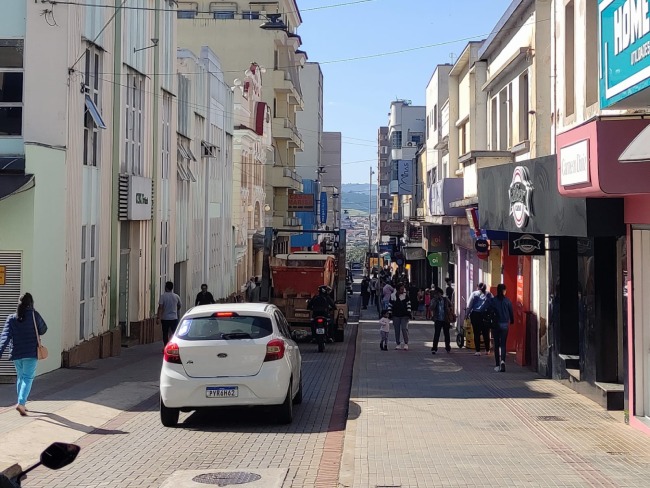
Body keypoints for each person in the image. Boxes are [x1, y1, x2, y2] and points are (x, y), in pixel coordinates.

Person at [0, 293, 48, 416]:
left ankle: (22, 403)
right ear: (31, 303)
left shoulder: (11, 318)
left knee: (21, 377)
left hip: (17, 353)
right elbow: (43, 329)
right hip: (31, 353)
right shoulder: (34, 316)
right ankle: (21, 403)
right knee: (28, 378)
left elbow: (4, 337)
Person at [491, 284, 514, 372]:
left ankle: (497, 365)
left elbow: (489, 310)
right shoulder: (507, 301)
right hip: (505, 324)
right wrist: (512, 321)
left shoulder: (493, 300)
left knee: (496, 345)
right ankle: (503, 361)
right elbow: (511, 312)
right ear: (504, 291)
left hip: (495, 325)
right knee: (503, 344)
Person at [466, 283, 492, 356]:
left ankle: (478, 351)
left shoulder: (474, 294)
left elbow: (469, 305)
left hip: (475, 315)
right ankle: (487, 350)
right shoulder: (489, 294)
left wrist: (466, 315)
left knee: (476, 333)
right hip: (486, 315)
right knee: (486, 333)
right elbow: (492, 304)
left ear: (478, 287)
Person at [157, 281, 182, 345]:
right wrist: (176, 310)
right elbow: (179, 305)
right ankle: (174, 345)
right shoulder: (176, 296)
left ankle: (166, 346)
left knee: (165, 333)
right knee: (174, 333)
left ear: (166, 287)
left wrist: (158, 318)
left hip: (165, 318)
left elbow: (160, 307)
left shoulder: (163, 296)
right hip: (174, 318)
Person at [388, 283, 412, 350]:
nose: (403, 290)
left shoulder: (405, 296)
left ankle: (406, 343)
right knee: (397, 330)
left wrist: (409, 312)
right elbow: (390, 305)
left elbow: (409, 304)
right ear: (398, 289)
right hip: (396, 315)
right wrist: (390, 313)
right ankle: (398, 343)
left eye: (403, 289)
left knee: (404, 329)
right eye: (401, 289)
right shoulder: (393, 296)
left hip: (404, 315)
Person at [430, 287, 452, 354]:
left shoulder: (445, 299)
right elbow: (431, 307)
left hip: (445, 319)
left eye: (437, 294)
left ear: (440, 293)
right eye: (435, 294)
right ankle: (434, 348)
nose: (436, 295)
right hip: (438, 319)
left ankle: (447, 347)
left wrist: (449, 309)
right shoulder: (434, 300)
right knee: (437, 334)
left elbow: (450, 305)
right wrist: (435, 301)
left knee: (447, 334)